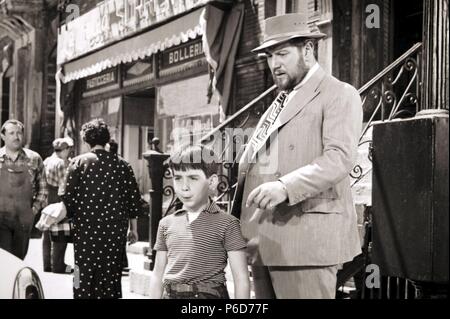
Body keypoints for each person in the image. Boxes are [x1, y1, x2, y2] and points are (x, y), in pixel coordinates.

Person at [231, 13, 363, 299]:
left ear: (307, 50)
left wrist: (284, 186)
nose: (274, 64)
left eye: (282, 53)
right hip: (264, 241)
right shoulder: (279, 101)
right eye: (269, 56)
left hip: (305, 245)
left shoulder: (339, 94)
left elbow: (339, 158)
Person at [149, 145, 250, 299]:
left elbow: (241, 279)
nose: (184, 187)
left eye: (193, 178)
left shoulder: (228, 224)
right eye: (178, 178)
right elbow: (157, 275)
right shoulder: (166, 223)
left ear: (212, 182)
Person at [61, 119, 140, 299]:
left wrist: (72, 217)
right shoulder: (122, 165)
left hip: (85, 228)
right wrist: (133, 229)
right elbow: (133, 201)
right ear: (106, 139)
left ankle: (79, 294)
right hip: (115, 229)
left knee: (81, 267)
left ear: (86, 140)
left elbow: (67, 196)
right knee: (111, 270)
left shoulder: (78, 163)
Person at [0, 119, 48, 259]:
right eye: (12, 133)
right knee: (4, 258)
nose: (16, 137)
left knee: (18, 258)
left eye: (19, 133)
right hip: (1, 218)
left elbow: (43, 189)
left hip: (23, 219)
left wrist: (33, 210)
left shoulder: (34, 158)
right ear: (3, 136)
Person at [42, 137, 74, 274]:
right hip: (57, 198)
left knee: (47, 231)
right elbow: (63, 186)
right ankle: (58, 264)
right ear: (65, 149)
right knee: (60, 232)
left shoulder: (47, 160)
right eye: (69, 149)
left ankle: (47, 264)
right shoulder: (61, 163)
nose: (70, 152)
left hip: (47, 199)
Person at [105, 138, 130, 277]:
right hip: (121, 208)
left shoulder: (103, 164)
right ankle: (120, 264)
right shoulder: (123, 164)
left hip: (107, 207)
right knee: (119, 239)